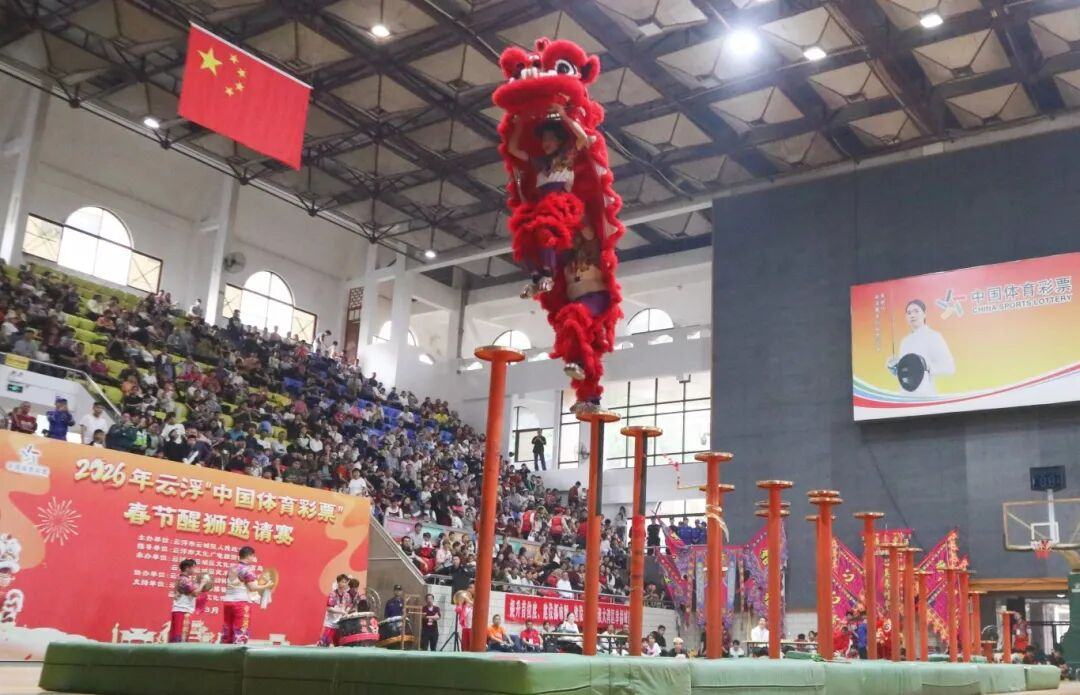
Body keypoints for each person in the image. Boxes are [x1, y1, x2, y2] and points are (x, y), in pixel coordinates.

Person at [887, 299, 955, 395]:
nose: (912, 315)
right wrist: (895, 369)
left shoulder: (933, 336)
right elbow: (905, 372)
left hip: (925, 395)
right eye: (909, 313)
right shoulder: (904, 341)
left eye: (916, 311)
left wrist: (926, 366)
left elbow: (949, 367)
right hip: (905, 395)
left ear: (924, 314)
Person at [221, 545, 262, 644]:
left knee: (228, 632)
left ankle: (224, 651)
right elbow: (252, 588)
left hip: (228, 602)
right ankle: (238, 652)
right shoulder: (247, 569)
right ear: (249, 556)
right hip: (241, 603)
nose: (254, 558)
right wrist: (266, 586)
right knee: (241, 633)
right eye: (253, 556)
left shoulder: (232, 568)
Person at [169, 559, 210, 643]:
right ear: (187, 568)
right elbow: (195, 593)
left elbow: (192, 592)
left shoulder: (182, 579)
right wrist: (202, 584)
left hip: (180, 611)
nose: (195, 570)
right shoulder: (185, 580)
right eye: (193, 567)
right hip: (182, 611)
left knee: (177, 636)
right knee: (181, 637)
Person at [319, 574, 352, 647]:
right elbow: (329, 608)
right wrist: (341, 612)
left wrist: (346, 611)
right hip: (331, 623)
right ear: (338, 582)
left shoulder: (347, 595)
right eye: (342, 582)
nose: (344, 584)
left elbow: (349, 605)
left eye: (345, 582)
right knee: (323, 643)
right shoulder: (332, 594)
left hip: (340, 623)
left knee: (339, 644)